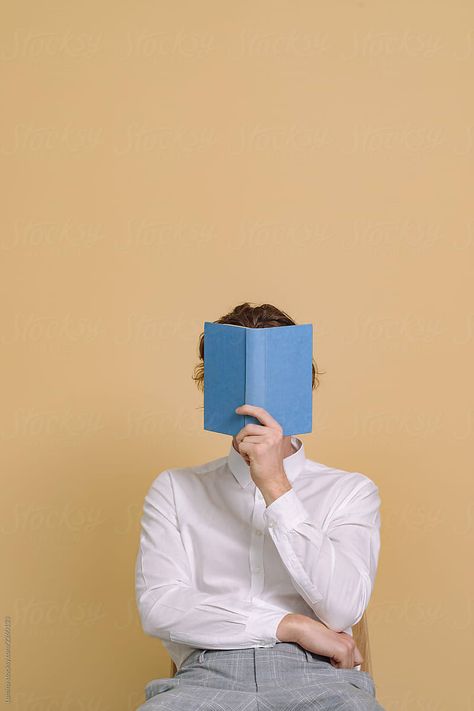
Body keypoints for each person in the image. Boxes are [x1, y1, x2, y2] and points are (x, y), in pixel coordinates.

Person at [135, 302, 385, 710]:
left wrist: (275, 485)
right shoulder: (175, 489)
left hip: (317, 675)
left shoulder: (351, 491)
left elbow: (343, 608)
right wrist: (290, 625)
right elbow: (160, 607)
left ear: (301, 387)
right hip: (206, 676)